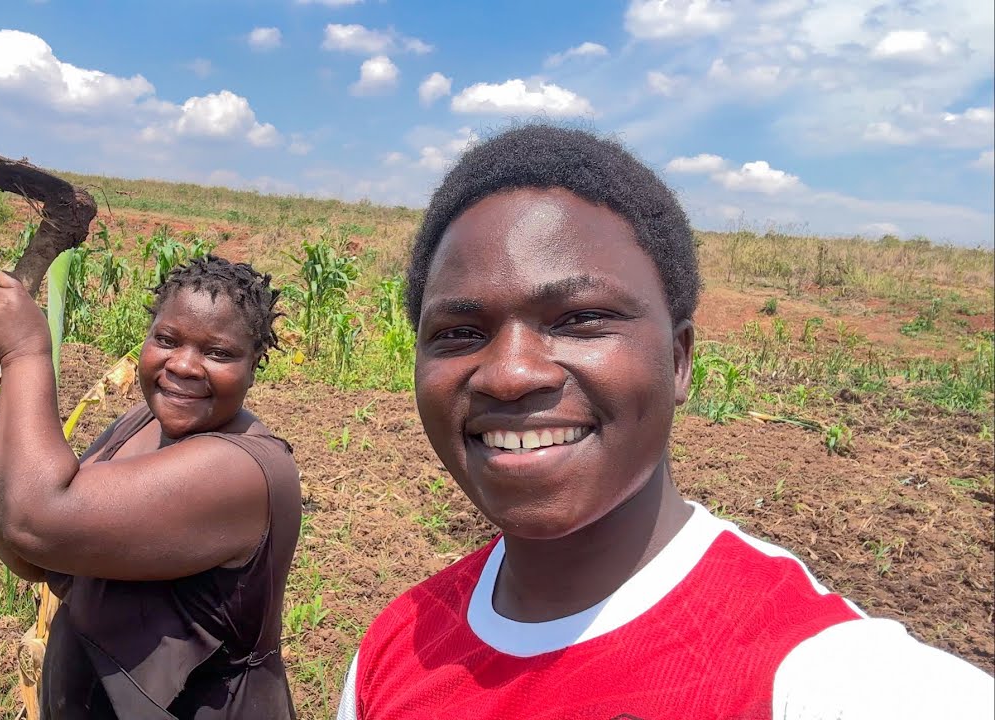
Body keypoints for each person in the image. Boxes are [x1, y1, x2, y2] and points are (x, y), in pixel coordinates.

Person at [336, 125, 994, 720]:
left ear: (678, 361)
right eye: (459, 332)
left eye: (578, 319)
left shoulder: (811, 676)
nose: (509, 373)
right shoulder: (393, 651)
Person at [0, 255, 302, 719]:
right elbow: (39, 559)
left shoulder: (241, 470)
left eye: (218, 353)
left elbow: (38, 519)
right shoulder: (139, 424)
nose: (184, 365)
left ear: (254, 365)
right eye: (167, 340)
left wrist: (26, 352)